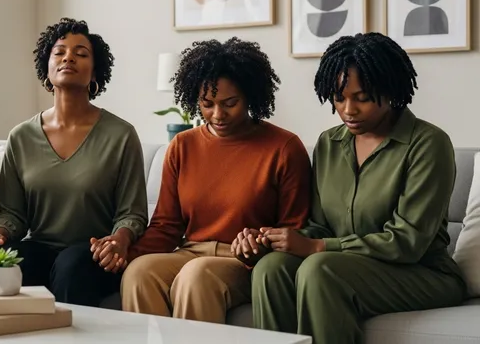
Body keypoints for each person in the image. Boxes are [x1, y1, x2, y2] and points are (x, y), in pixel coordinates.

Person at [251, 32, 467, 344]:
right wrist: (276, 241)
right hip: (341, 264)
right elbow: (320, 225)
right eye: (339, 98)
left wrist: (320, 248)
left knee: (320, 269)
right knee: (271, 269)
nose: (348, 109)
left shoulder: (428, 143)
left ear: (389, 90)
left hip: (422, 273)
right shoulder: (329, 143)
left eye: (362, 98)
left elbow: (407, 241)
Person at [119, 37, 312, 324]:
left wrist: (257, 245)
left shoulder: (283, 147)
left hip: (246, 263)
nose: (217, 115)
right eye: (207, 104)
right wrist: (125, 253)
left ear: (250, 96)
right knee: (139, 272)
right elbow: (166, 226)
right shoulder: (182, 146)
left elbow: (293, 227)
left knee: (195, 277)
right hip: (189, 251)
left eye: (229, 103)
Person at [0, 18, 148, 307]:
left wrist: (119, 240)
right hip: (40, 247)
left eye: (81, 53)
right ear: (47, 66)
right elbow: (13, 214)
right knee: (7, 266)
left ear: (95, 71)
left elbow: (132, 213)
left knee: (70, 266)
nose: (69, 58)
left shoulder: (121, 135)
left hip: (94, 253)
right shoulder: (21, 136)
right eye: (60, 52)